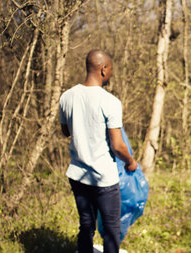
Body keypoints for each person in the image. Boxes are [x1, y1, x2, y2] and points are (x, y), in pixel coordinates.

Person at [59, 49, 138, 253]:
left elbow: (65, 131)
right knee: (111, 229)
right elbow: (117, 145)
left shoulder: (67, 96)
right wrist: (130, 161)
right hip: (103, 178)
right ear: (103, 69)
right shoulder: (110, 102)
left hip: (77, 175)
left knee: (86, 225)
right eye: (110, 69)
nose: (110, 74)